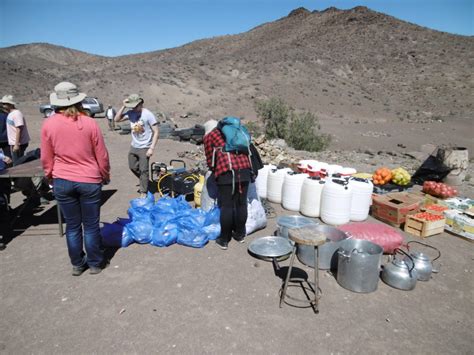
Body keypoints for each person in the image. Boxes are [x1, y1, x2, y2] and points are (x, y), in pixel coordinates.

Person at [41, 82, 111, 276]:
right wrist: (104, 174)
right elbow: (102, 155)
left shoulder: (49, 124)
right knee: (90, 224)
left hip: (62, 180)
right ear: (78, 100)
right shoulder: (89, 123)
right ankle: (95, 263)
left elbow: (46, 157)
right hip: (89, 180)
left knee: (72, 225)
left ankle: (78, 264)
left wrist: (49, 176)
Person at [203, 118, 252, 250]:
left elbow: (209, 159)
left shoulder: (210, 136)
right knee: (241, 203)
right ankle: (240, 234)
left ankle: (224, 239)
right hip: (245, 170)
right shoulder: (235, 132)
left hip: (227, 171)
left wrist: (214, 171)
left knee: (227, 206)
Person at [114, 94, 158, 198]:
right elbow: (116, 119)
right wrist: (123, 106)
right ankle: (146, 181)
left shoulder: (148, 114)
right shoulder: (130, 113)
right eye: (132, 106)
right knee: (132, 166)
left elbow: (156, 131)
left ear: (140, 104)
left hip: (145, 146)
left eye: (135, 106)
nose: (133, 108)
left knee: (144, 169)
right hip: (134, 145)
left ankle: (143, 191)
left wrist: (151, 148)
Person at [0, 95, 30, 163]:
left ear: (10, 105)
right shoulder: (10, 113)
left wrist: (16, 144)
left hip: (19, 143)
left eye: (4, 104)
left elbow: (18, 129)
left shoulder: (16, 114)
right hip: (15, 143)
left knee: (17, 162)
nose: (2, 105)